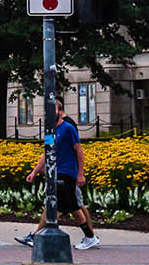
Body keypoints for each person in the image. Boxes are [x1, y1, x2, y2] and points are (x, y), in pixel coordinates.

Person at [16, 103, 100, 251]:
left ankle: (38, 237)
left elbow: (79, 150)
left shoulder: (68, 128)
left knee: (63, 206)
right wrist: (34, 172)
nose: (48, 113)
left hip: (67, 173)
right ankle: (88, 237)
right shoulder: (50, 132)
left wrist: (80, 174)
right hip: (54, 173)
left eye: (52, 109)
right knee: (68, 206)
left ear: (60, 112)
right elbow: (46, 153)